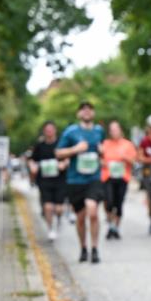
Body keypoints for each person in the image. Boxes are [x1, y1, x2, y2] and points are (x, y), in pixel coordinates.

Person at [56, 101, 105, 264]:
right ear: (78, 114)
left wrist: (102, 152)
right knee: (81, 217)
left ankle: (95, 249)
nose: (86, 112)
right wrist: (75, 150)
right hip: (75, 179)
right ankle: (83, 247)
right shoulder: (71, 132)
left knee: (93, 211)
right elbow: (58, 153)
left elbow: (102, 150)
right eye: (83, 109)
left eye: (89, 109)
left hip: (94, 178)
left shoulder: (99, 131)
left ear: (94, 113)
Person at [27, 121, 67, 241]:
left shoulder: (61, 144)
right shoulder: (39, 146)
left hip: (60, 180)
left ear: (55, 130)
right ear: (44, 131)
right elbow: (31, 160)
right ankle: (50, 228)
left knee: (59, 208)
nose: (49, 132)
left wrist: (64, 164)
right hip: (44, 180)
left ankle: (59, 219)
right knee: (48, 207)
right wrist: (32, 167)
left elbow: (69, 158)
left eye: (51, 129)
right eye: (47, 130)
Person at [101, 120, 136, 240]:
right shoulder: (105, 144)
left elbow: (134, 162)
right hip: (108, 177)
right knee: (109, 202)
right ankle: (110, 225)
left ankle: (116, 228)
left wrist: (125, 157)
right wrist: (103, 163)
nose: (114, 132)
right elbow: (99, 160)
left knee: (119, 204)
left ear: (120, 130)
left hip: (122, 177)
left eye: (116, 129)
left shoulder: (128, 145)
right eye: (112, 130)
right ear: (109, 132)